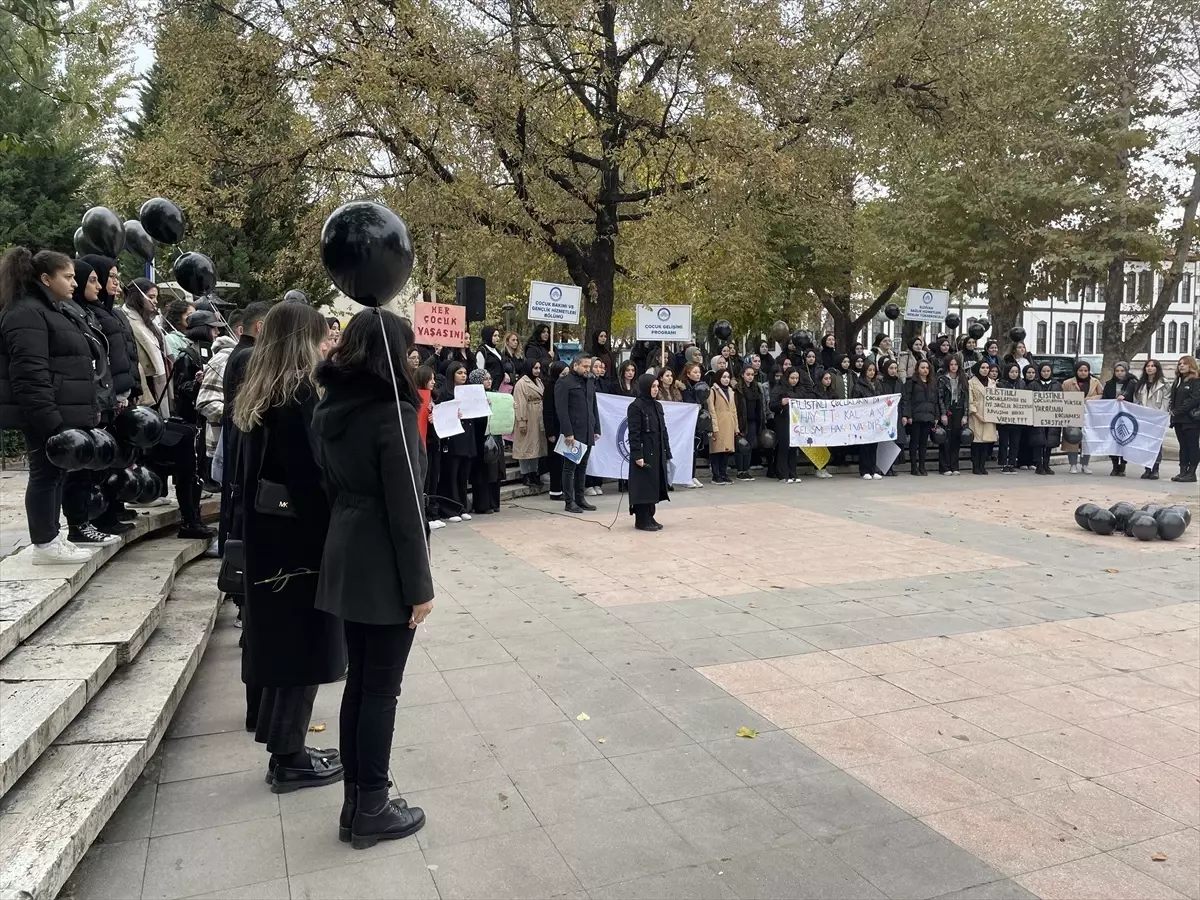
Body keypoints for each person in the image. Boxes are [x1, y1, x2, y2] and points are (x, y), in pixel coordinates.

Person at [312, 309, 432, 848]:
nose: (414, 361)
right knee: (381, 690)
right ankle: (373, 806)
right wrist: (419, 588)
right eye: (407, 351)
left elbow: (331, 489)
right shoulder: (392, 414)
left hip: (347, 550)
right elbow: (407, 508)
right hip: (384, 559)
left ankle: (356, 803)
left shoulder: (331, 406)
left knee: (359, 683)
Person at [230, 300, 344, 792]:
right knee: (302, 646)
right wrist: (333, 540)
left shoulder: (262, 393)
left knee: (282, 644)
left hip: (267, 538)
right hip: (298, 545)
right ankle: (289, 755)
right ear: (301, 341)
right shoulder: (296, 397)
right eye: (320, 337)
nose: (327, 345)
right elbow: (311, 481)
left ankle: (285, 748)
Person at [0, 248, 98, 564]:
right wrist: (51, 421)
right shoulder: (26, 313)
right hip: (45, 413)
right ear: (46, 278)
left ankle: (53, 535)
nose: (74, 282)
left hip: (58, 410)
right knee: (44, 474)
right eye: (67, 276)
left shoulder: (50, 309)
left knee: (55, 473)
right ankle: (44, 542)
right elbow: (30, 373)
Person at [555, 353, 600, 513]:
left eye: (589, 366)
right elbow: (561, 410)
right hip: (573, 432)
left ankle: (580, 498)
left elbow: (593, 406)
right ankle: (569, 501)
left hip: (587, 430)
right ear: (575, 366)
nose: (588, 369)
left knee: (583, 467)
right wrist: (568, 432)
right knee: (570, 468)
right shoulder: (565, 383)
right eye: (585, 366)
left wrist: (596, 428)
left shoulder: (589, 382)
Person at [627, 373, 671, 531]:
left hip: (656, 450)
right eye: (653, 386)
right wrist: (637, 454)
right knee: (643, 485)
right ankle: (642, 519)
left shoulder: (657, 406)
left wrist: (667, 450)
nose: (655, 389)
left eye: (657, 386)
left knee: (653, 484)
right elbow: (634, 433)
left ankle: (650, 516)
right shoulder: (636, 406)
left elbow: (663, 429)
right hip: (645, 451)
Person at [124, 279, 171, 416]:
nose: (155, 301)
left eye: (156, 297)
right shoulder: (126, 319)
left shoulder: (150, 323)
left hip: (159, 381)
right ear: (137, 296)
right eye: (151, 297)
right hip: (144, 383)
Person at [436, 363, 475, 522]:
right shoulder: (445, 393)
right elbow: (441, 414)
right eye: (460, 373)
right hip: (452, 439)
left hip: (467, 437)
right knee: (451, 474)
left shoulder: (468, 392)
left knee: (463, 475)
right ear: (452, 374)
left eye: (465, 373)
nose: (464, 376)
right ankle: (449, 509)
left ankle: (461, 505)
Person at [467, 368, 503, 514]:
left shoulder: (494, 393)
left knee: (494, 471)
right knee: (481, 472)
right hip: (479, 437)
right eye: (485, 379)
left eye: (489, 378)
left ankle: (494, 502)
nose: (489, 381)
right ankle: (482, 504)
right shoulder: (473, 397)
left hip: (493, 436)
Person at [1062, 361, 1102, 473]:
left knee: (1088, 439)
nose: (1083, 373)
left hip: (1089, 415)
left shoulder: (1095, 382)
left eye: (1085, 370)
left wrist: (1092, 399)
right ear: (1076, 371)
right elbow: (1061, 398)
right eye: (1080, 370)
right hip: (1073, 415)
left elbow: (1102, 394)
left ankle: (1085, 464)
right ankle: (1073, 464)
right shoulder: (1067, 383)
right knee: (1072, 439)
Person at [512, 359, 546, 488]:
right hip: (527, 415)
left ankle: (534, 472)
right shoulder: (521, 383)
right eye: (535, 368)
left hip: (537, 415)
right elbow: (520, 402)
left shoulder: (538, 381)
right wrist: (522, 421)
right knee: (524, 446)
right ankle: (525, 474)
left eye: (538, 368)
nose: (537, 370)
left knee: (535, 446)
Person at [1134, 359, 1169, 479]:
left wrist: (1161, 414)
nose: (1150, 368)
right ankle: (1147, 468)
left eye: (1152, 366)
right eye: (1147, 366)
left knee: (1156, 443)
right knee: (1145, 443)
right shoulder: (1141, 383)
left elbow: (1166, 400)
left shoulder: (1164, 383)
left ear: (1157, 368)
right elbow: (1137, 400)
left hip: (1157, 417)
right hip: (1143, 417)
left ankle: (1155, 469)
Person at [902, 359, 937, 476]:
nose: (925, 370)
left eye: (927, 368)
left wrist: (935, 415)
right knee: (914, 442)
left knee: (923, 443)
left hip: (928, 416)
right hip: (916, 417)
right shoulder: (912, 382)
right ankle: (913, 466)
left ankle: (922, 466)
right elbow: (907, 399)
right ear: (917, 369)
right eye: (922, 368)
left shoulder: (932, 382)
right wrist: (908, 415)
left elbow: (935, 400)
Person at [1102, 361, 1139, 475]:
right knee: (1113, 440)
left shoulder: (1132, 383)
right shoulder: (1109, 384)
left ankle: (1122, 465)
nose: (1119, 373)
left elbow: (1135, 398)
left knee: (1125, 441)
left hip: (1127, 417)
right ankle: (1114, 465)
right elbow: (1104, 399)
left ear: (1127, 371)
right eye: (1117, 371)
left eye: (1122, 371)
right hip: (1113, 417)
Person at [937, 355, 969, 475]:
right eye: (951, 365)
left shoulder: (963, 378)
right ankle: (944, 467)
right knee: (946, 439)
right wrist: (943, 414)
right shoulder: (942, 379)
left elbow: (966, 398)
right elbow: (939, 398)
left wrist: (965, 415)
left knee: (956, 439)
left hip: (959, 410)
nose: (954, 367)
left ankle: (954, 466)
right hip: (947, 409)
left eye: (955, 364)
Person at [1169, 355, 1200, 482]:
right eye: (1179, 363)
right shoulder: (1178, 381)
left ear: (1191, 365)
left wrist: (1178, 411)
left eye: (1184, 364)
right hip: (1178, 419)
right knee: (1183, 445)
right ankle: (1183, 471)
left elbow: (1194, 399)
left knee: (1192, 445)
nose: (1181, 366)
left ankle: (1192, 472)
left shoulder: (1196, 381)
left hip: (1191, 419)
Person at [769, 368, 803, 483]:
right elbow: (772, 405)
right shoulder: (779, 388)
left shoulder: (799, 389)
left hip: (795, 421)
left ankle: (793, 473)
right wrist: (781, 403)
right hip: (783, 420)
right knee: (783, 447)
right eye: (792, 378)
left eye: (796, 378)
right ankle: (782, 474)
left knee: (793, 447)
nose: (794, 381)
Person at [1031, 362, 1062, 474]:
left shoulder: (1056, 385)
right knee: (1039, 442)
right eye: (1043, 371)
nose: (1046, 373)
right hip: (1037, 417)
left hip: (1052, 418)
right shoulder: (1033, 384)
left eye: (1048, 371)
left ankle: (1046, 464)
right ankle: (1039, 465)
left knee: (1049, 442)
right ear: (1040, 372)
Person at [542, 359, 567, 500]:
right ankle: (555, 490)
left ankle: (562, 487)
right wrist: (550, 432)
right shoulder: (550, 387)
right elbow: (548, 411)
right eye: (563, 374)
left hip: (563, 427)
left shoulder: (563, 386)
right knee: (555, 460)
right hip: (554, 429)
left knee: (563, 460)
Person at [707, 368, 737, 485]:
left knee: (726, 451)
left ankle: (724, 474)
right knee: (716, 451)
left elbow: (734, 410)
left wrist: (736, 427)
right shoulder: (713, 391)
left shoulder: (730, 391)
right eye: (724, 377)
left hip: (729, 424)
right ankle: (716, 475)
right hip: (718, 422)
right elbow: (711, 409)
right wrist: (714, 426)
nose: (726, 379)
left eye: (728, 377)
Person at [853, 360, 882, 479]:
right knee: (865, 445)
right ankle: (864, 470)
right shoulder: (858, 385)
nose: (871, 372)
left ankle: (873, 468)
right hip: (864, 419)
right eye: (869, 370)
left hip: (875, 418)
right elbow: (855, 403)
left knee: (874, 445)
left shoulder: (878, 384)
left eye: (873, 370)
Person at [967, 360, 996, 475]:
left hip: (989, 415)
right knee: (976, 442)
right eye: (983, 367)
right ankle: (975, 466)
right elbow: (970, 400)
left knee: (986, 442)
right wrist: (976, 414)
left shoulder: (993, 383)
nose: (985, 370)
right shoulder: (971, 382)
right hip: (976, 415)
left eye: (987, 368)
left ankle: (982, 465)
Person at [995, 362, 1024, 474]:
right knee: (1004, 442)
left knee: (1015, 443)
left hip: (1017, 419)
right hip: (1004, 419)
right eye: (1012, 372)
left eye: (1016, 372)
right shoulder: (1000, 384)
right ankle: (1003, 463)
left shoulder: (1021, 384)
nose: (1014, 374)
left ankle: (1012, 463)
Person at [734, 365, 762, 480]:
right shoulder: (738, 389)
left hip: (752, 421)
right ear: (742, 375)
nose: (750, 377)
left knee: (749, 446)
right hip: (742, 421)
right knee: (741, 446)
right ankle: (740, 470)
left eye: (752, 375)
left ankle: (746, 469)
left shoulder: (756, 388)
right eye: (748, 374)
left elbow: (759, 406)